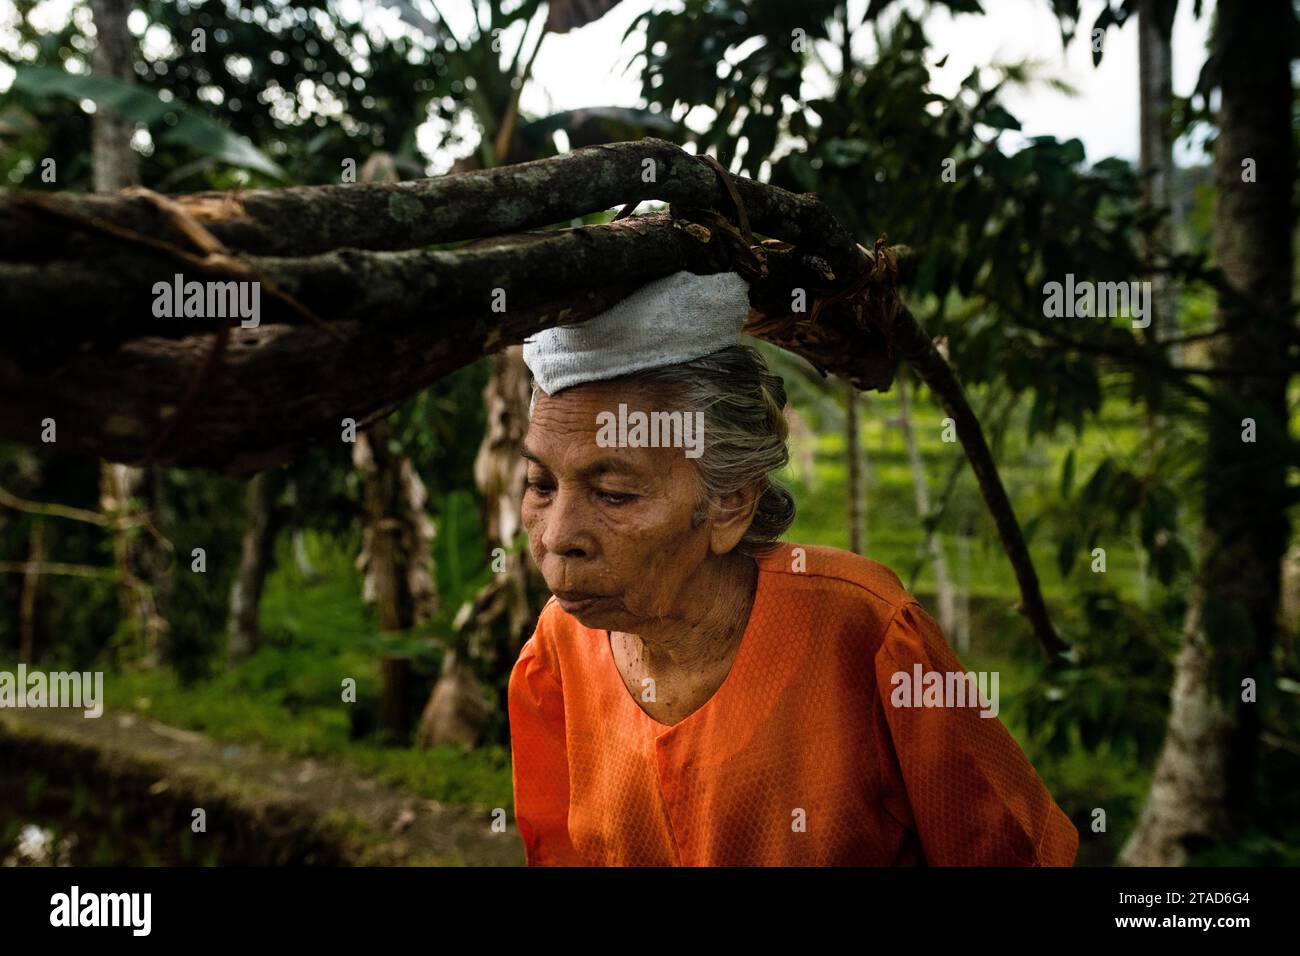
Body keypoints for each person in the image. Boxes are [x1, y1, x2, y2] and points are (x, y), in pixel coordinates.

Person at [508, 270, 1078, 866]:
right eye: (540, 485)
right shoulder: (558, 647)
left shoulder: (868, 631)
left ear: (730, 501)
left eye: (615, 494)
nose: (556, 535)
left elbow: (1007, 853)